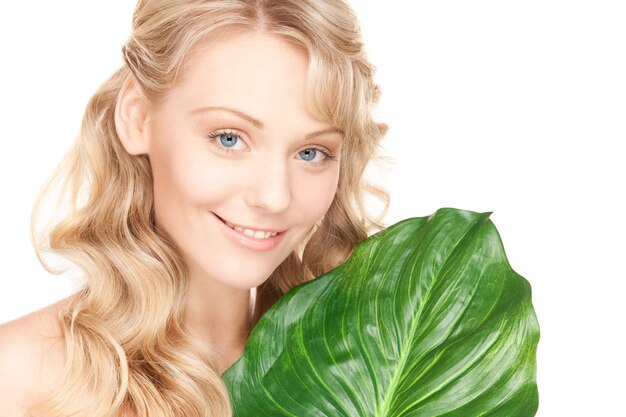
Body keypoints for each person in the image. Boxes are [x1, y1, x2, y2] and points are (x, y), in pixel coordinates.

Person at [0, 0, 388, 416]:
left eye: (311, 152)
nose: (275, 196)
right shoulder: (19, 376)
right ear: (138, 118)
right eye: (228, 138)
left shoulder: (367, 368)